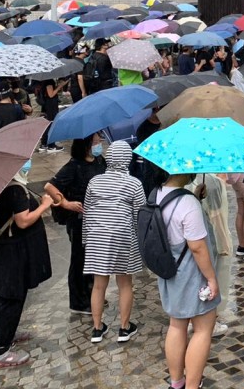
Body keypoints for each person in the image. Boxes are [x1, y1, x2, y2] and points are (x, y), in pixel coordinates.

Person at [156, 171, 221, 389]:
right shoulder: (187, 203)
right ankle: (193, 385)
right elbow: (197, 247)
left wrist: (194, 195)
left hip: (169, 270)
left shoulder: (156, 194)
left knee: (176, 325)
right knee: (203, 329)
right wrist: (211, 278)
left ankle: (177, 383)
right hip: (192, 273)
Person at [0, 158, 53, 368]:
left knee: (11, 297)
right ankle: (0, 353)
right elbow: (23, 220)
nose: (28, 163)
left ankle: (5, 334)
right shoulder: (14, 189)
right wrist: (44, 205)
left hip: (8, 251)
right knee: (11, 298)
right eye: (24, 161)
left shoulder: (4, 183)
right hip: (12, 254)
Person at [82, 141, 145, 343]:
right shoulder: (134, 183)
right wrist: (141, 243)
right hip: (122, 236)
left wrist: (86, 239)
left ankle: (97, 328)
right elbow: (140, 216)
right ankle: (124, 328)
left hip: (96, 237)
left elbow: (88, 212)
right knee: (125, 283)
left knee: (98, 285)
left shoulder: (94, 181)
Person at [44, 134, 107, 315]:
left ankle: (92, 293)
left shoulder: (99, 161)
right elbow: (50, 187)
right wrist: (65, 203)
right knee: (80, 260)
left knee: (93, 258)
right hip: (79, 221)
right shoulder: (74, 166)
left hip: (95, 219)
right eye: (95, 142)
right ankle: (79, 301)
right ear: (86, 143)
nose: (99, 144)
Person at [198, 173, 233, 335]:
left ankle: (195, 317)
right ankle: (210, 320)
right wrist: (224, 243)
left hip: (188, 244)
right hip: (208, 241)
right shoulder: (213, 182)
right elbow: (218, 216)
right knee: (213, 278)